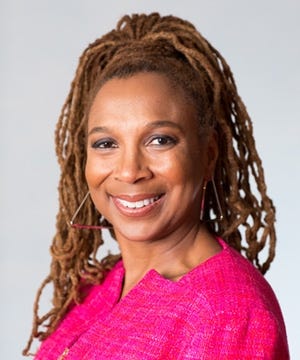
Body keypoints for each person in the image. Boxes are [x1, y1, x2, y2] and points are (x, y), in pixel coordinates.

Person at [23, 12, 289, 359]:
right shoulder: (98, 285)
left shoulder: (227, 314)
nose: (130, 171)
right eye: (106, 144)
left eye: (160, 140)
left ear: (208, 155)